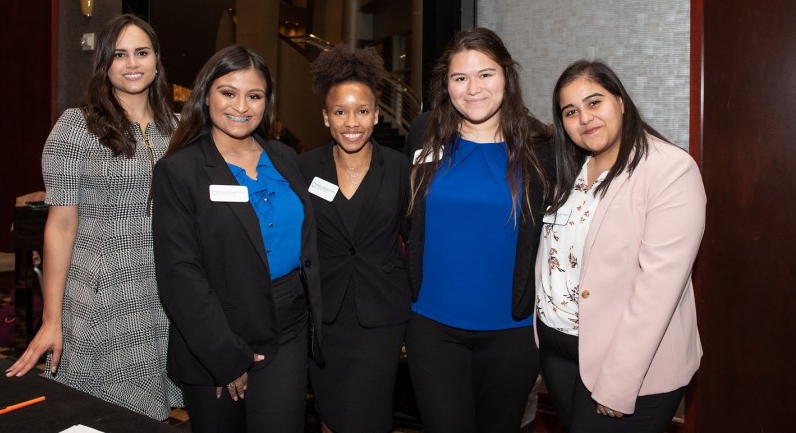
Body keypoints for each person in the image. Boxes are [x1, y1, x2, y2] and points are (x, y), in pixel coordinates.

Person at [5, 14, 182, 419]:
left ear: (157, 61)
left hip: (162, 284)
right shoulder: (77, 127)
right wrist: (52, 318)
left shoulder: (176, 128)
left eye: (142, 52)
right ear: (104, 62)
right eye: (119, 54)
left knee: (150, 412)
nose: (132, 63)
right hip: (103, 287)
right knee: (97, 410)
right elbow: (61, 225)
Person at [151, 45, 323, 433]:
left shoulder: (283, 156)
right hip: (218, 332)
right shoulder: (180, 171)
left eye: (255, 95)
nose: (241, 106)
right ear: (206, 95)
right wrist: (223, 357)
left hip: (289, 325)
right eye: (229, 92)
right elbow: (181, 277)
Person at [536, 60, 706, 433]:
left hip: (626, 363)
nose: (584, 118)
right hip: (560, 353)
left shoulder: (669, 170)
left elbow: (657, 291)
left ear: (621, 101)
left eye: (594, 102)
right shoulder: (573, 171)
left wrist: (618, 384)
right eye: (571, 111)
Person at [404, 27, 554, 432]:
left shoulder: (540, 145)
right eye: (460, 78)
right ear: (446, 85)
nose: (473, 89)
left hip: (513, 334)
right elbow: (409, 218)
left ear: (507, 76)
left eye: (485, 74)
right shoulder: (424, 133)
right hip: (433, 330)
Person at [297, 45, 411, 433]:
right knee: (329, 411)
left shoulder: (399, 170)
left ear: (377, 115)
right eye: (340, 112)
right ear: (325, 117)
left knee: (369, 412)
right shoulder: (304, 168)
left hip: (381, 316)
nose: (352, 122)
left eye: (362, 111)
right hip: (324, 317)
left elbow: (413, 241)